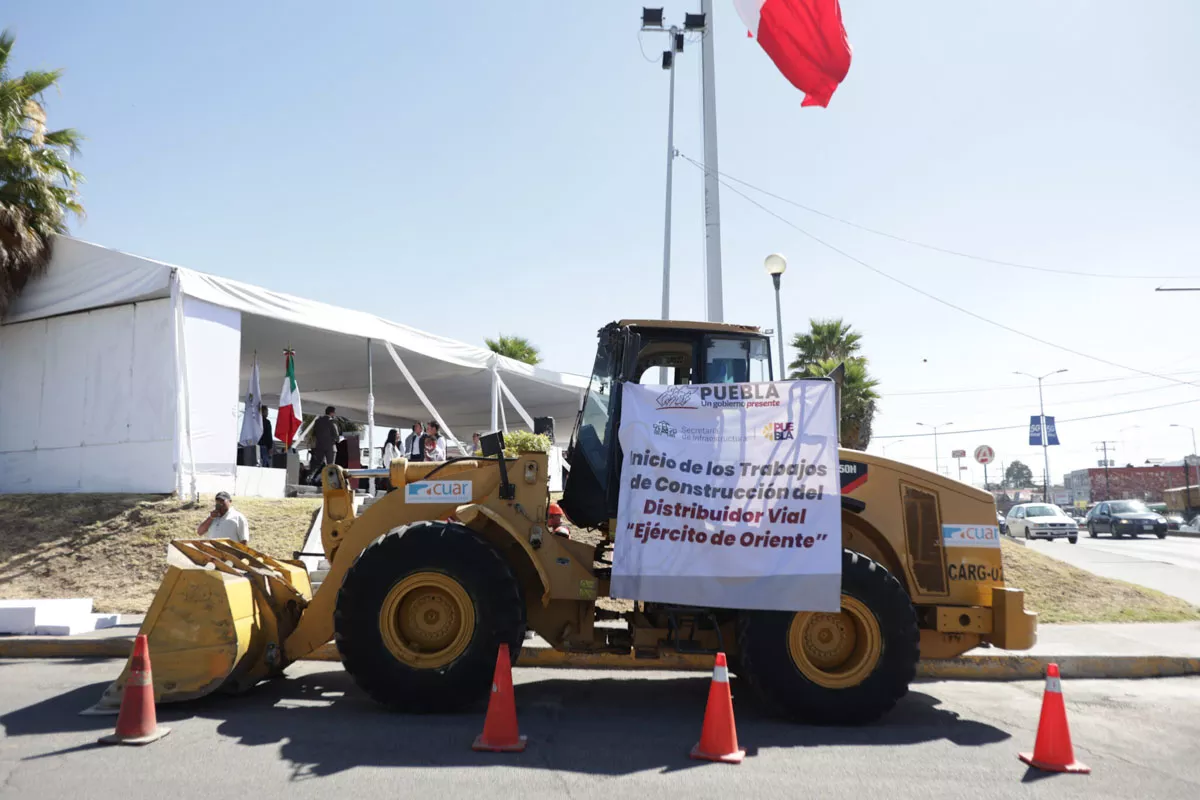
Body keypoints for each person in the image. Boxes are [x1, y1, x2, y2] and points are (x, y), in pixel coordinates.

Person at [312, 406, 338, 472]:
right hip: (330, 447)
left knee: (318, 465)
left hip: (319, 446)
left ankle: (315, 480)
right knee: (330, 467)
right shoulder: (332, 421)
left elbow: (314, 433)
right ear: (331, 413)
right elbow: (336, 435)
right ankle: (329, 481)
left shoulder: (317, 421)